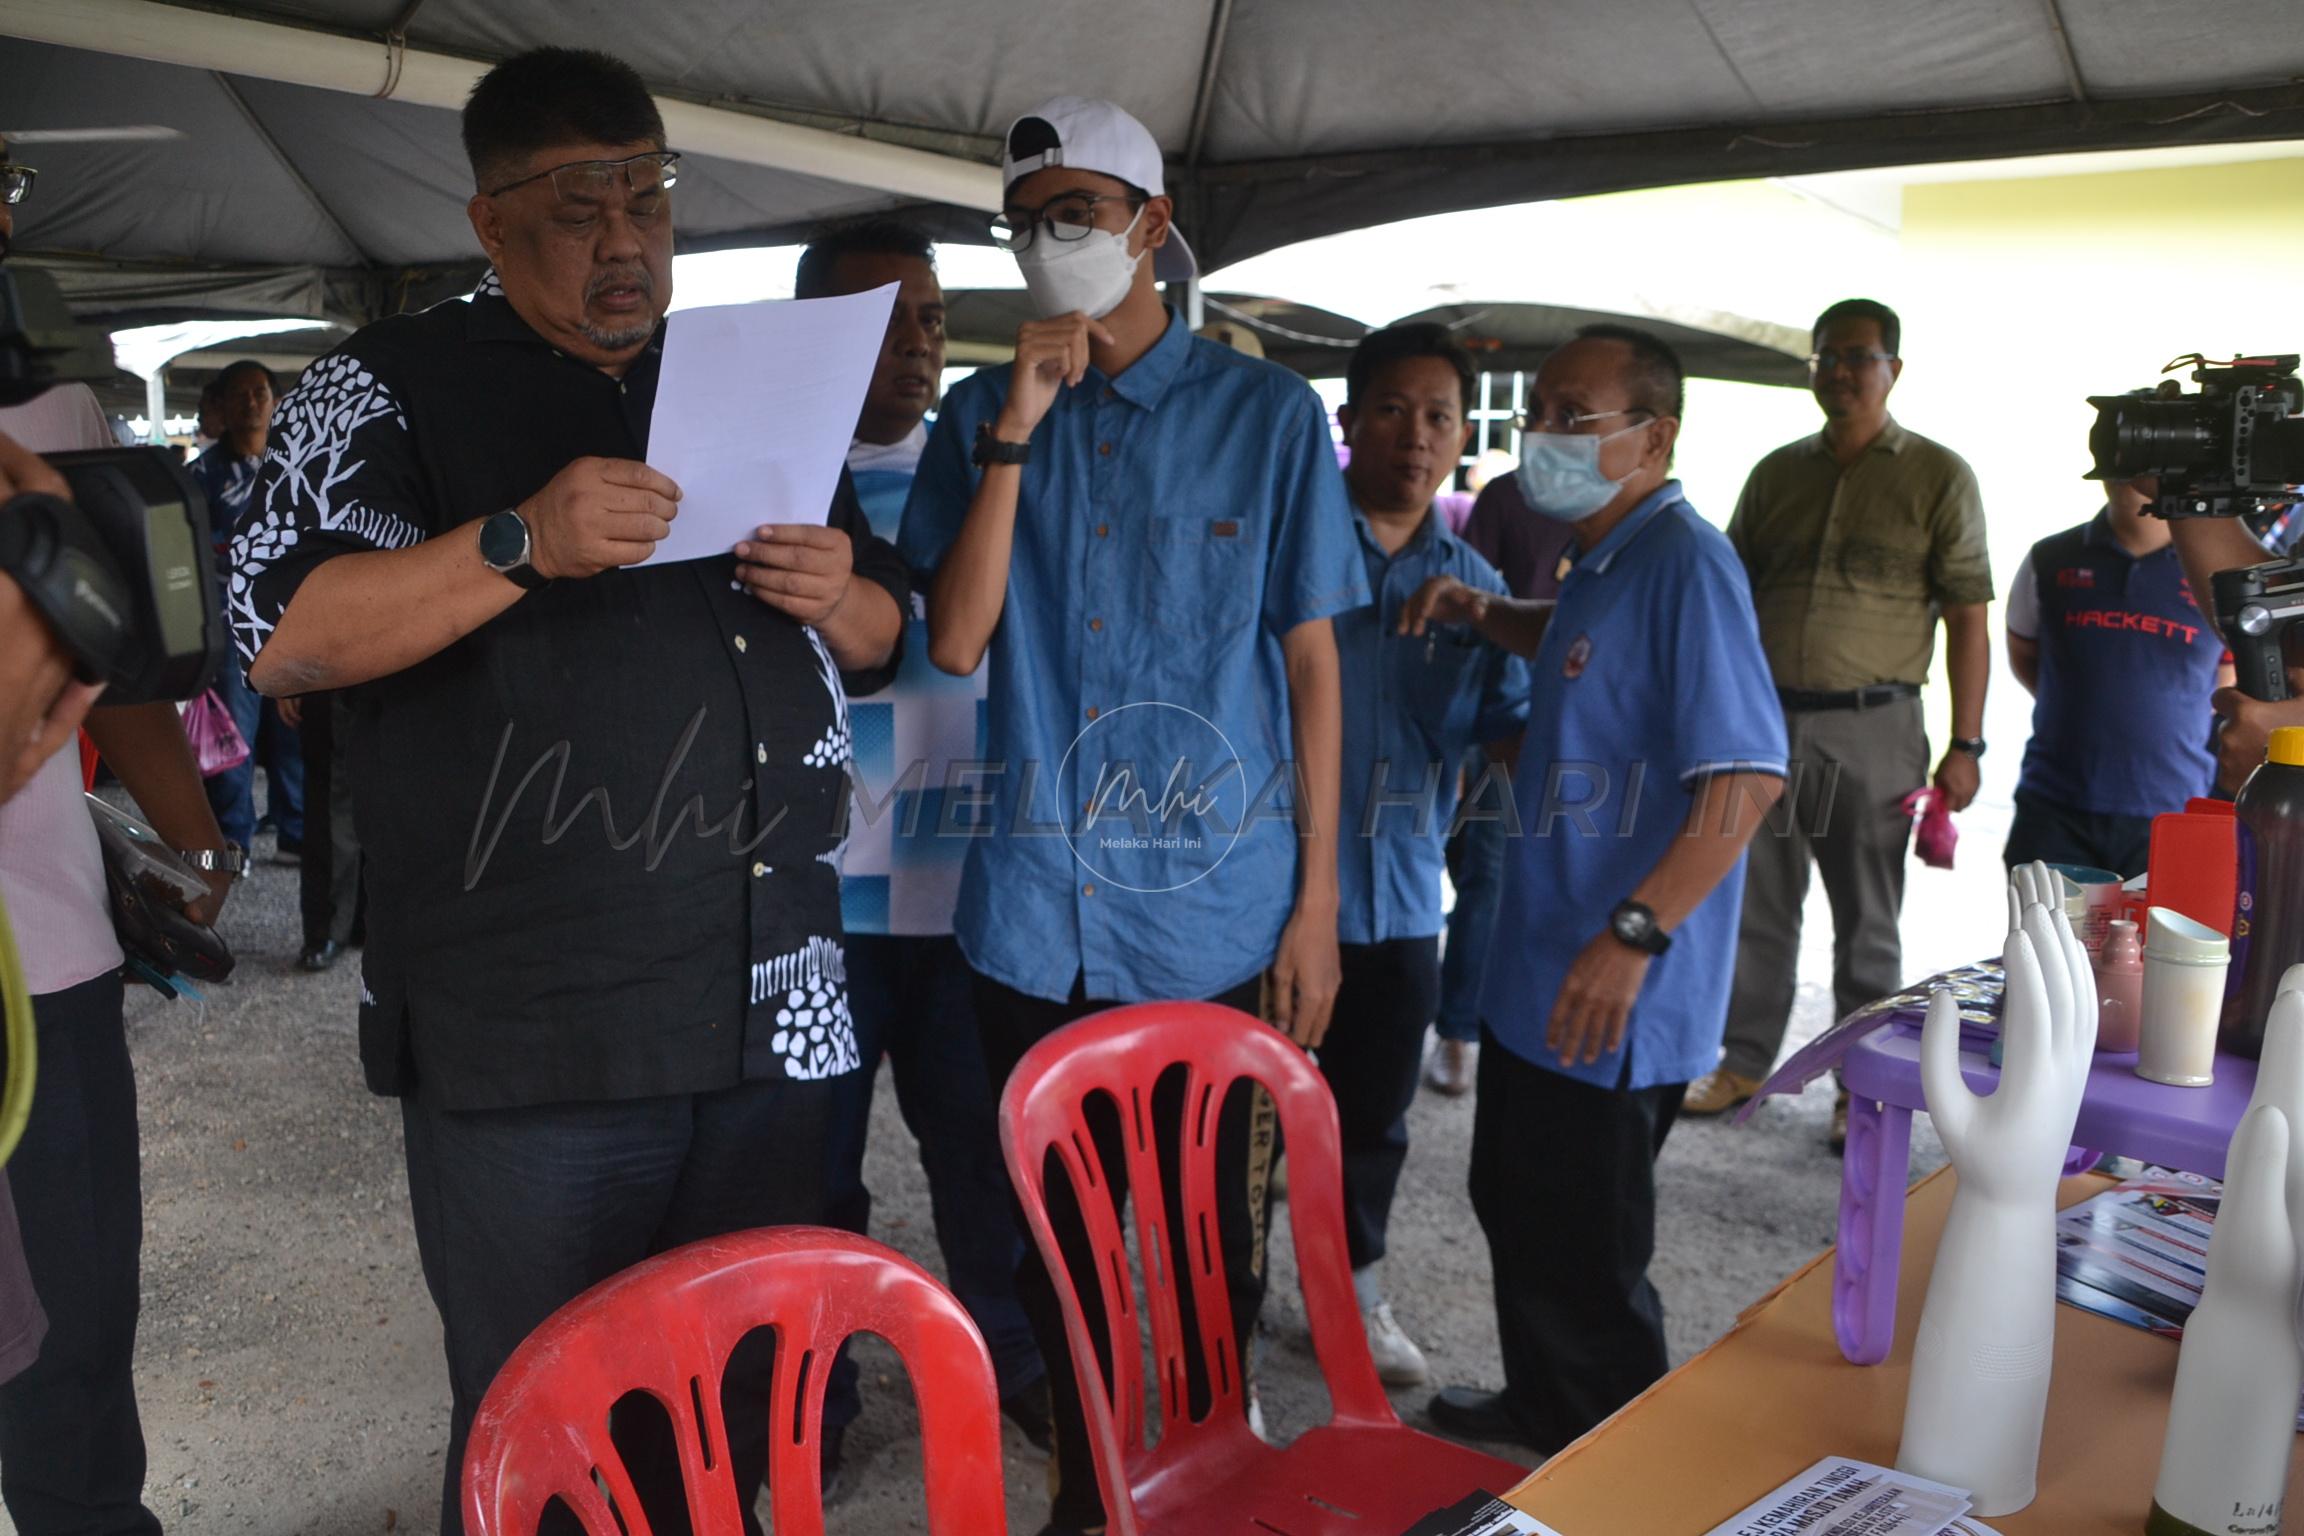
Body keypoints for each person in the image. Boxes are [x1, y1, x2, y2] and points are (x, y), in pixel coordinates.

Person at [230, 50, 905, 1536]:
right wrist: (516, 541)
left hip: (775, 995)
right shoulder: (383, 386)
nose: (626, 239)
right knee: (553, 1412)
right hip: (538, 1022)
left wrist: (844, 591)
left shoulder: (741, 375)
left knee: (757, 1396)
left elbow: (880, 637)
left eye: (649, 196)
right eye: (580, 205)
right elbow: (276, 641)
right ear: (486, 222)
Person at [899, 96, 1365, 1536]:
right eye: (1029, 218)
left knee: (1207, 1235)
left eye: (1080, 212)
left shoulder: (1269, 418)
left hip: (1211, 911)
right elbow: (958, 642)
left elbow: (1310, 668)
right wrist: (1019, 433)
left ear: (1153, 227)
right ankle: (1093, 1499)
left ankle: (1211, 1487)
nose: (1053, 241)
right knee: (1060, 1240)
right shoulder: (981, 412)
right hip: (1031, 915)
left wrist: (1316, 911)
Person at [1400, 325, 1786, 1454]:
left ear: (1654, 436)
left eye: (1579, 417)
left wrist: (1633, 935)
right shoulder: (1603, 557)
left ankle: (1615, 1463)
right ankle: (1541, 1407)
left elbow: (1747, 779)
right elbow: (1573, 646)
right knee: (1515, 1199)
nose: (1547, 440)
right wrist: (1486, 616)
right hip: (1541, 962)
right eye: (1541, 415)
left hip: (1613, 985)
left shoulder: (1685, 564)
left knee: (1588, 1250)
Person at [0, 139, 240, 1536]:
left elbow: (130, 673)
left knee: (74, 1335)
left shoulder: (58, 416)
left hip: (45, 961)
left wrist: (197, 841)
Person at [793, 219, 1050, 1478]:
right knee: (812, 1178)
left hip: (971, 900)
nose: (918, 344)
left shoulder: (1004, 468)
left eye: (933, 318)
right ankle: (816, 1404)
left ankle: (1018, 1369)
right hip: (819, 908)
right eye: (881, 321)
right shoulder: (769, 483)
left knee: (984, 1163)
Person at [1694, 298, 1992, 1143]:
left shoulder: (1938, 475)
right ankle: (1744, 1062)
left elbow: (1969, 615)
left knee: (1868, 918)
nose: (1839, 372)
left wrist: (1965, 746)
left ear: (1894, 368)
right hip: (1765, 721)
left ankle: (1859, 1090)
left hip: (1879, 725)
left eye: (1857, 357)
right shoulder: (1776, 474)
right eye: (1825, 357)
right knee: (1759, 905)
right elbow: (1732, 597)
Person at [1328, 323, 1530, 1386]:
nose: (1418, 436)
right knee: (1242, 1123)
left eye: (1442, 416)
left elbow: (1513, 727)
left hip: (1404, 896)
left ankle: (1354, 1299)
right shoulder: (1291, 540)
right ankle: (1224, 1317)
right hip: (1266, 895)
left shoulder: (1475, 583)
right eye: (1395, 410)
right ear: (1350, 420)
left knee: (1374, 1118)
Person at [1427, 445, 1576, 1097]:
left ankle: (1493, 1023)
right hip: (1498, 703)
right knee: (1477, 872)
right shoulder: (1508, 496)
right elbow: (1480, 598)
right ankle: (1457, 1030)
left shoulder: (1628, 518)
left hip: (1577, 719)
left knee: (1524, 875)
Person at [2003, 472, 2230, 876]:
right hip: (2055, 807)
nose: (2137, 473)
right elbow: (2023, 652)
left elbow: (2226, 683)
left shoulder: (2218, 575)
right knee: (2042, 939)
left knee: (2157, 940)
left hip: (2170, 810)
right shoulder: (2051, 558)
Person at [189, 359, 305, 861]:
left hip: (295, 621)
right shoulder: (201, 476)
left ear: (275, 401)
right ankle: (234, 838)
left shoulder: (297, 465)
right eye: (240, 394)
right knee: (234, 733)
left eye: (260, 392)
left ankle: (295, 831)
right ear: (222, 405)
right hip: (230, 627)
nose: (252, 402)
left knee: (294, 732)